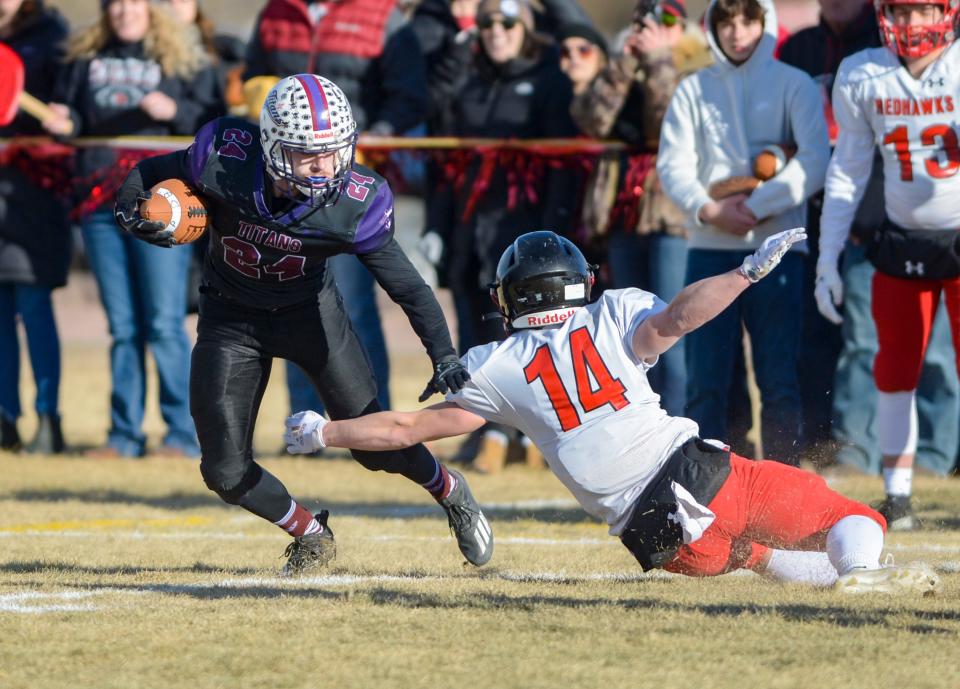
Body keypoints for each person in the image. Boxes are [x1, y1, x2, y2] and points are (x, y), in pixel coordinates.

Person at [284, 230, 939, 594]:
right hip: (693, 476)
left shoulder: (498, 362)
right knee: (851, 517)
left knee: (757, 553)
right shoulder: (614, 311)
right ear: (575, 280)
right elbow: (680, 316)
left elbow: (404, 427)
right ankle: (862, 575)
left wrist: (324, 430)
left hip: (651, 540)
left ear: (515, 295)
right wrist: (744, 273)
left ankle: (843, 578)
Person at [113, 74, 492, 574]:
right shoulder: (224, 156)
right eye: (307, 154)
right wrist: (129, 208)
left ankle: (449, 488)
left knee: (372, 448)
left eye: (333, 151)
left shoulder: (355, 201)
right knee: (224, 472)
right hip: (231, 317)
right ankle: (311, 533)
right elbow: (149, 169)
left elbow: (408, 286)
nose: (325, 166)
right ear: (271, 146)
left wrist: (443, 355)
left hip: (309, 315)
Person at [780, 0, 959, 476]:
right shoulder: (862, 72)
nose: (911, 23)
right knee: (884, 356)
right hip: (896, 237)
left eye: (923, 11)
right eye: (900, 11)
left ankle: (939, 458)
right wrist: (827, 260)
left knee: (941, 359)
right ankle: (880, 467)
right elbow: (846, 173)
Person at [42, 0, 221, 459]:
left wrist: (174, 110)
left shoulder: (183, 57)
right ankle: (123, 435)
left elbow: (210, 123)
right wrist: (66, 122)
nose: (124, 11)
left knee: (163, 324)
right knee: (123, 327)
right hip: (100, 203)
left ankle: (181, 433)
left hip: (163, 203)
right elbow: (76, 118)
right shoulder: (83, 59)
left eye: (134, 2)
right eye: (115, 3)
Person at [657, 0, 830, 464]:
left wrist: (757, 206)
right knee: (706, 381)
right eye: (726, 21)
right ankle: (712, 487)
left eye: (747, 20)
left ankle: (783, 483)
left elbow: (815, 161)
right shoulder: (693, 89)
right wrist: (710, 209)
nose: (737, 32)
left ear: (764, 22)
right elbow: (672, 164)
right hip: (710, 251)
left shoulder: (794, 84)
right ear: (712, 26)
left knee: (778, 379)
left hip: (780, 252)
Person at [570, 0, 710, 419]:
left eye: (666, 19)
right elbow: (592, 120)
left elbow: (670, 122)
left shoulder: (698, 66)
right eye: (643, 20)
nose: (653, 28)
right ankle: (637, 422)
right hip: (622, 212)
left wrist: (658, 60)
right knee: (626, 329)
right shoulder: (623, 69)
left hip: (671, 216)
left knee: (672, 322)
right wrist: (625, 66)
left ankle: (682, 421)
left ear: (681, 27)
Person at [0, 0, 70, 454]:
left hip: (33, 192)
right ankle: (6, 419)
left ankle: (49, 419)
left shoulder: (52, 35)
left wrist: (65, 118)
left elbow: (72, 105)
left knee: (34, 305)